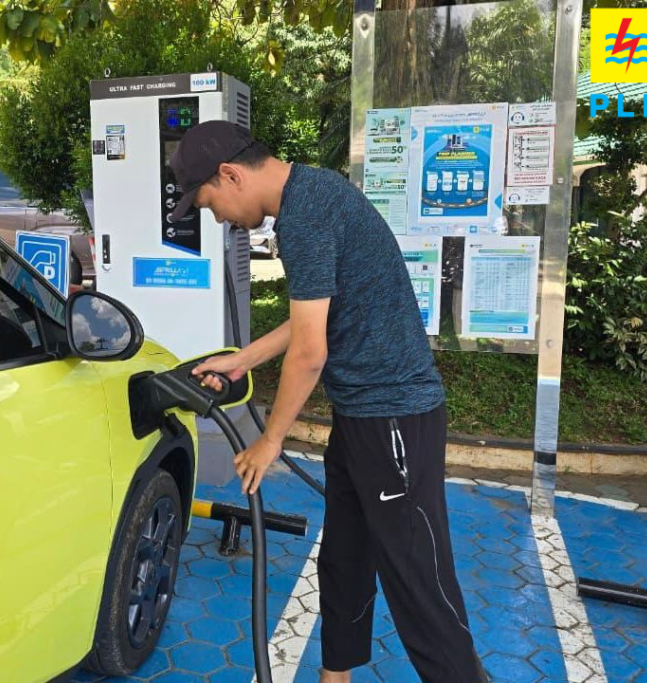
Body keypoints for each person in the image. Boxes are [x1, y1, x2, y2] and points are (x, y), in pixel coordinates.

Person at [170, 121, 488, 683]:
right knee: (345, 556)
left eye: (210, 204)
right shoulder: (312, 194)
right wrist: (244, 360)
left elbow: (310, 352)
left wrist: (271, 440)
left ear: (230, 175)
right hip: (361, 415)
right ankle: (334, 676)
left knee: (418, 582)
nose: (219, 218)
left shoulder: (305, 214)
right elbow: (316, 315)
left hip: (393, 418)